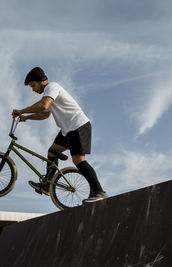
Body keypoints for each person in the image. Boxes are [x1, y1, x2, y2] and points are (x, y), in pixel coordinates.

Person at [12, 67, 107, 203]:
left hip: (78, 125)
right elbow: (45, 114)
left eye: (33, 85)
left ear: (40, 81)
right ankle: (47, 185)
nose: (33, 89)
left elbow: (44, 105)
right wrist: (27, 117)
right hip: (67, 130)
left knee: (78, 160)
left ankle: (99, 191)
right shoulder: (49, 94)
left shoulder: (52, 87)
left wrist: (21, 111)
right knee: (52, 151)